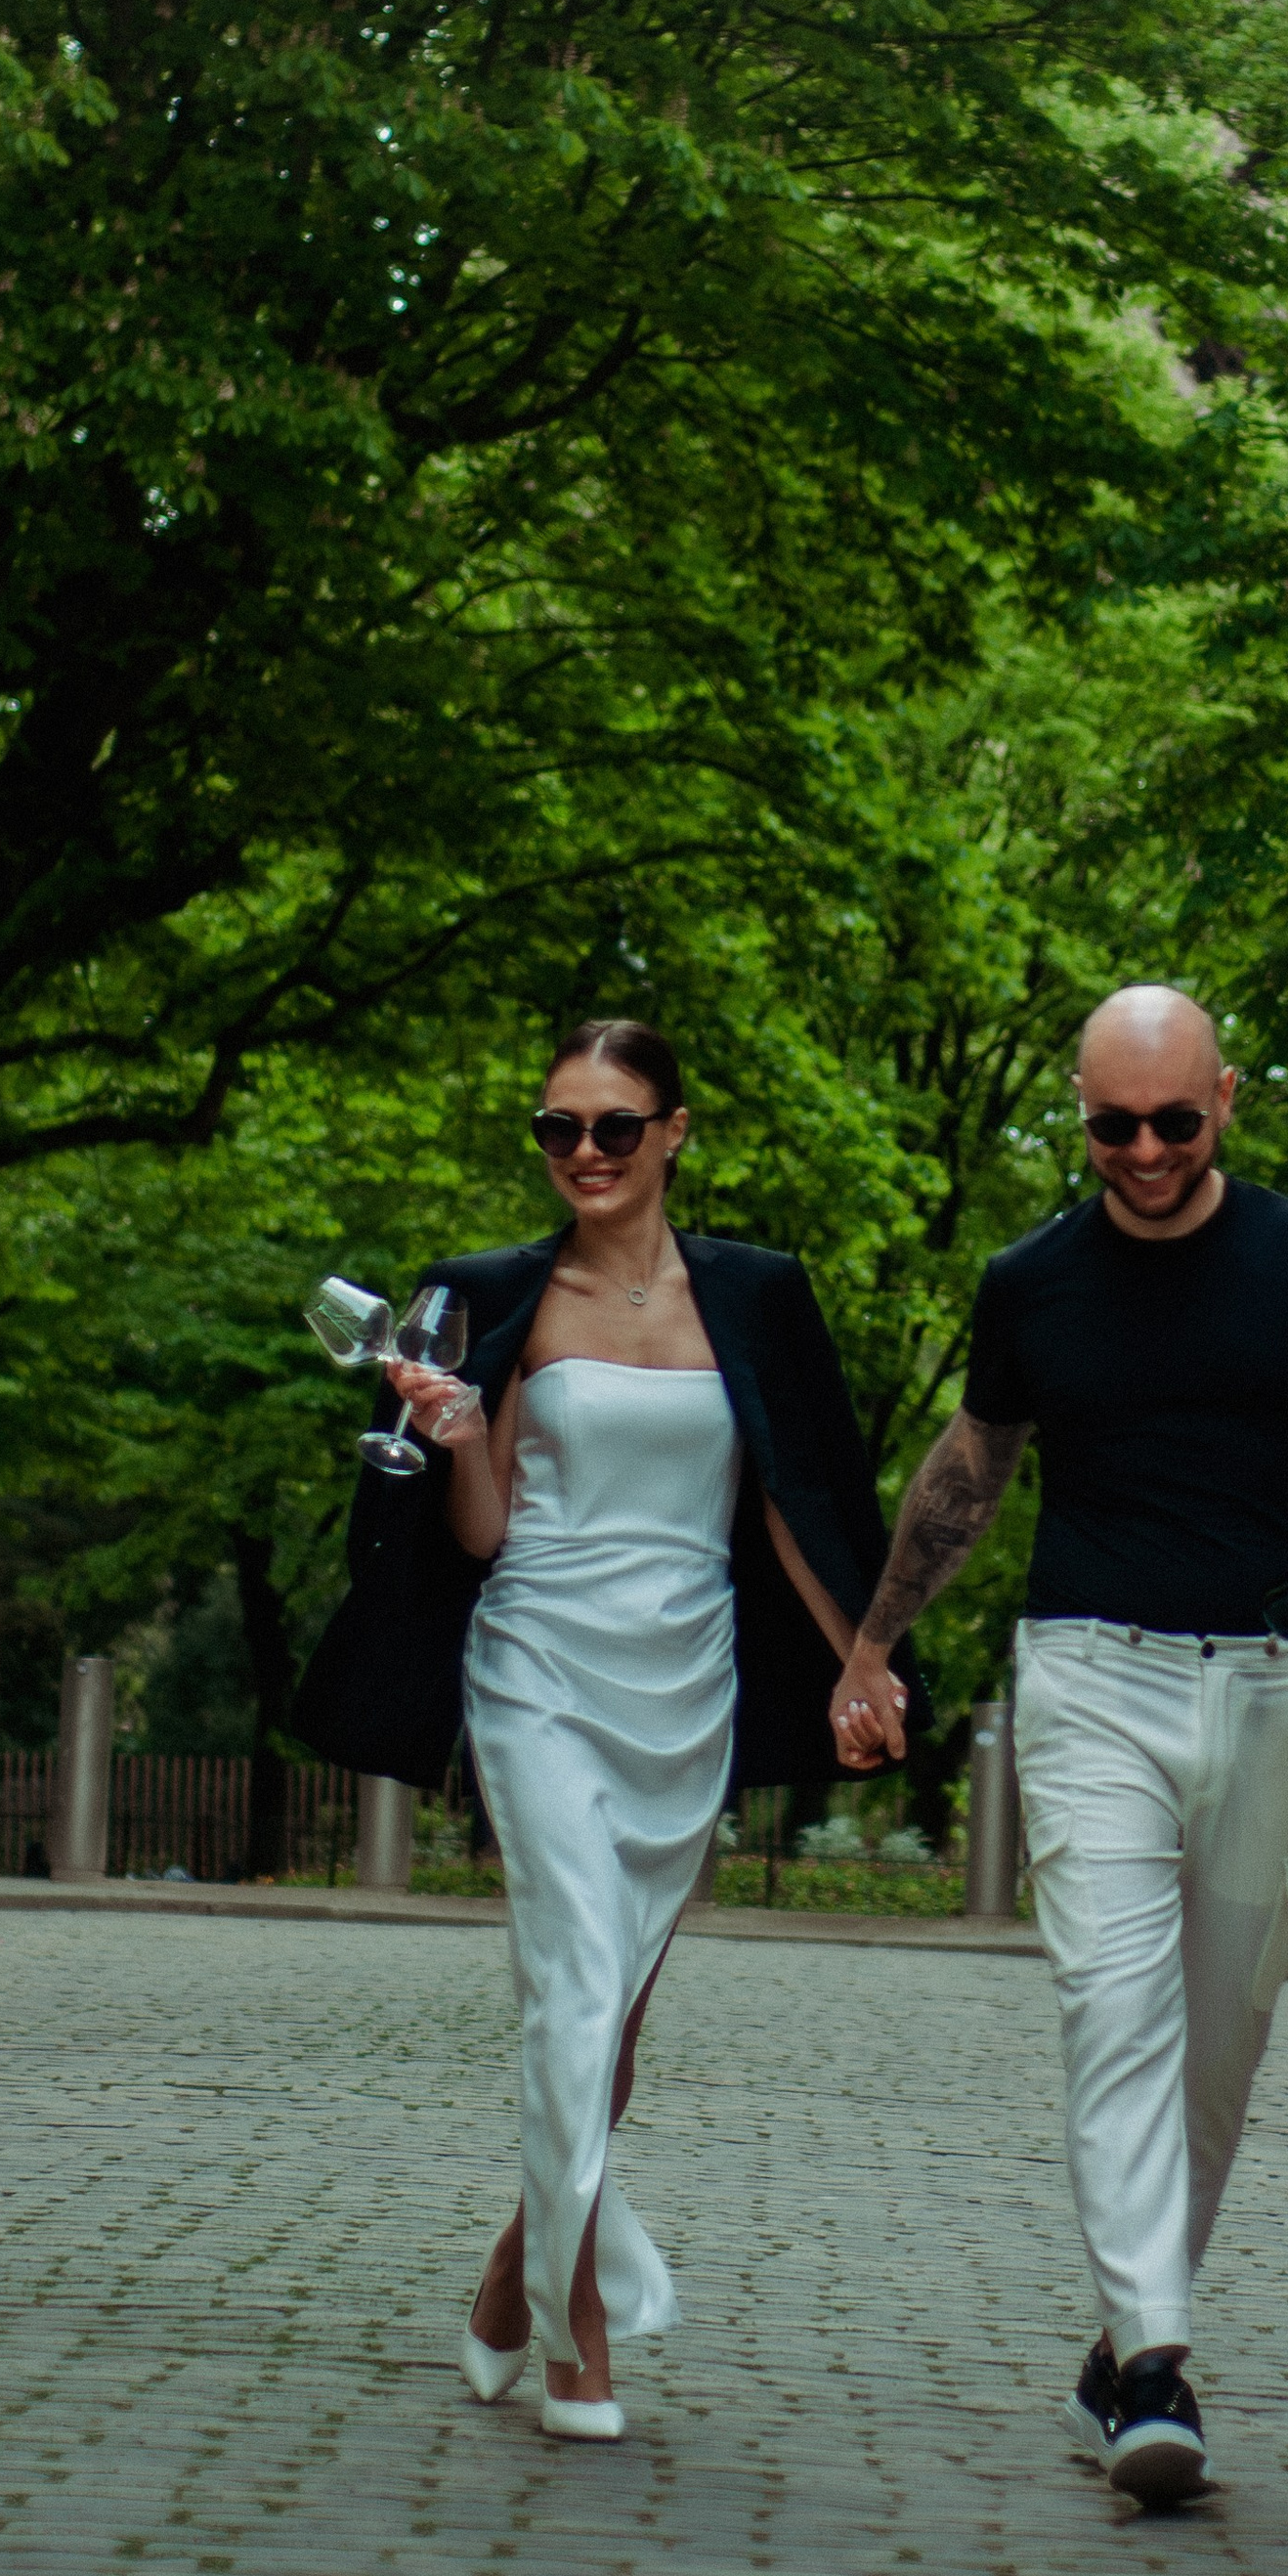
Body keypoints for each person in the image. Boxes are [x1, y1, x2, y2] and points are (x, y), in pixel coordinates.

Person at [827, 982, 1288, 2508]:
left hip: (1268, 1680)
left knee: (1218, 2045)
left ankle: (1121, 2341)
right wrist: (872, 1641)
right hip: (1090, 1675)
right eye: (1114, 1125)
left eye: (1175, 1120)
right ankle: (1160, 2369)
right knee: (1115, 2009)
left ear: (1226, 1099)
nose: (1147, 1151)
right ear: (1082, 1117)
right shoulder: (1030, 1281)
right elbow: (969, 1469)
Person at [387, 1015, 907, 2442]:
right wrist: (463, 1437)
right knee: (572, 1984)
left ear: (676, 1132)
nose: (588, 1154)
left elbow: (800, 1499)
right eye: (561, 1129)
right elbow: (486, 1535)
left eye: (617, 1127)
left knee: (608, 2023)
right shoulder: (491, 1295)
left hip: (688, 1683)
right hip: (537, 1662)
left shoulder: (760, 1297)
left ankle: (510, 2276)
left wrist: (865, 1664)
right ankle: (580, 2332)